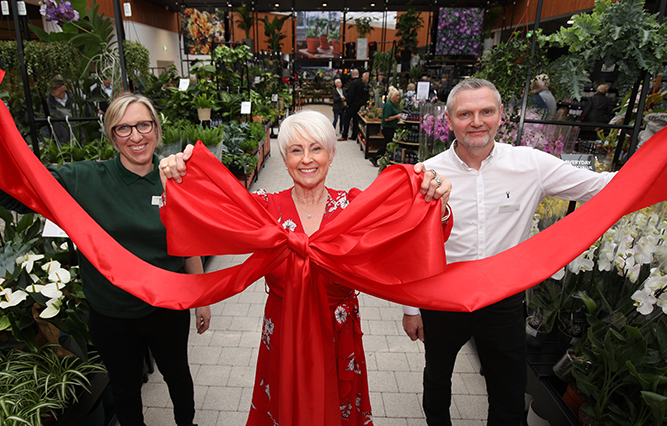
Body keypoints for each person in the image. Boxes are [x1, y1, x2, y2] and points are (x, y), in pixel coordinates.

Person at [159, 110, 452, 426]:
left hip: (339, 335)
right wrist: (176, 184)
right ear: (284, 159)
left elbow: (409, 236)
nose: (306, 159)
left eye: (316, 148)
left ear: (332, 154)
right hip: (285, 330)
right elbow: (203, 222)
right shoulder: (263, 209)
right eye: (296, 150)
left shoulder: (355, 208)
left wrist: (438, 201)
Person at [0, 78, 210, 426]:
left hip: (167, 307)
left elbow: (188, 241)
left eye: (143, 125)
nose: (135, 136)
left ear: (156, 128)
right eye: (123, 128)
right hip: (112, 313)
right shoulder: (85, 179)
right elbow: (7, 194)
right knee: (125, 388)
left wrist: (201, 296)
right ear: (111, 135)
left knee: (178, 377)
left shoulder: (175, 178)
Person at [401, 78, 616, 426]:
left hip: (503, 299)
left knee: (508, 390)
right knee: (437, 376)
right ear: (449, 119)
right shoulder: (428, 173)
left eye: (486, 111)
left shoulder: (530, 165)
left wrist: (652, 169)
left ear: (501, 115)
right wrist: (411, 308)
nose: (476, 121)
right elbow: (411, 245)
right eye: (465, 113)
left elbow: (601, 187)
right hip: (444, 297)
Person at [370, 86, 402, 167]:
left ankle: (380, 159)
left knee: (388, 145)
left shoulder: (393, 104)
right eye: (396, 95)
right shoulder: (388, 105)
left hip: (391, 127)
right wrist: (397, 117)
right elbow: (387, 118)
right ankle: (375, 157)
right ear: (392, 96)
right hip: (388, 128)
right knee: (387, 145)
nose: (398, 97)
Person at [339, 70, 369, 141]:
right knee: (355, 120)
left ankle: (345, 135)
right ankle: (354, 135)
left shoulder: (353, 83)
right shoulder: (361, 83)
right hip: (359, 104)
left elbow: (350, 95)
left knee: (346, 119)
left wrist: (348, 103)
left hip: (352, 104)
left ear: (352, 74)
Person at [44, 75, 74, 143]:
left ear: (63, 87)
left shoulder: (76, 100)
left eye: (54, 88)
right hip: (58, 143)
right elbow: (44, 126)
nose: (51, 90)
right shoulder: (46, 104)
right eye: (50, 88)